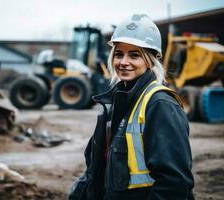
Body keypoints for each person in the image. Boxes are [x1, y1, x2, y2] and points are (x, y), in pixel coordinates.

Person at [68, 14, 194, 200]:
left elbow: (174, 183)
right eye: (119, 54)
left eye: (134, 55)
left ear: (149, 60)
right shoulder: (117, 102)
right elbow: (98, 168)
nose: (124, 62)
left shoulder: (160, 104)